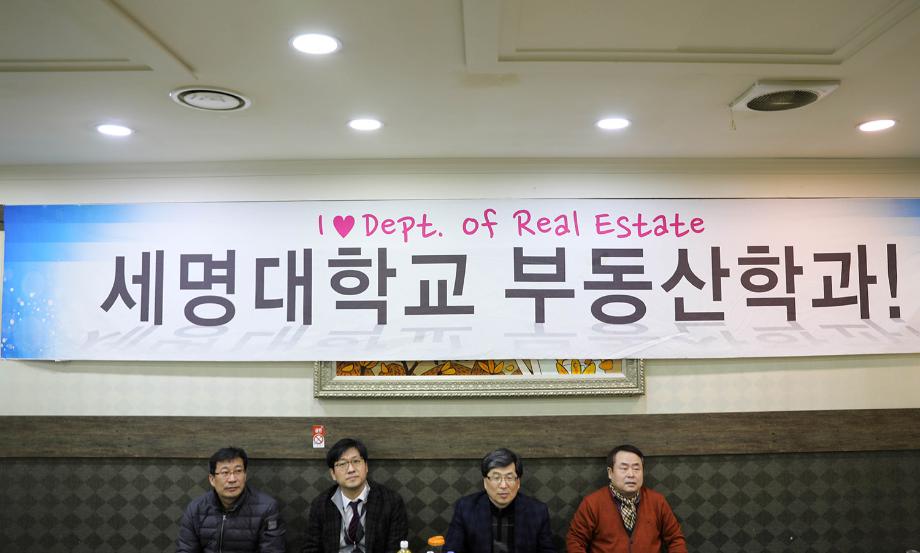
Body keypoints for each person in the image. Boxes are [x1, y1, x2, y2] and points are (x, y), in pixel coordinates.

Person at [566, 444, 687, 553]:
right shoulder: (592, 503)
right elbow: (575, 541)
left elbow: (675, 539)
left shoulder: (657, 501)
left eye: (636, 468)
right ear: (610, 473)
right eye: (624, 468)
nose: (631, 474)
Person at [302, 437, 408, 553]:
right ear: (333, 474)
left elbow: (396, 548)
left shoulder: (391, 502)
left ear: (366, 466)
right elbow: (310, 548)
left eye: (356, 461)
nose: (351, 469)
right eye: (342, 464)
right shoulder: (320, 504)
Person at [444, 447, 556, 553]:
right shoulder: (466, 508)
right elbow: (452, 548)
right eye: (496, 478)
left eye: (509, 478)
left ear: (518, 483)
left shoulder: (537, 511)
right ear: (485, 482)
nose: (503, 485)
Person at [177, 446, 286, 553]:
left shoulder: (267, 508)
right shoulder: (196, 508)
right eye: (225, 473)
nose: (232, 479)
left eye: (238, 471)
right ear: (212, 479)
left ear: (245, 475)